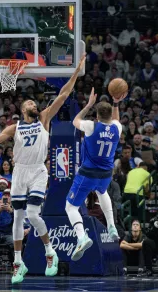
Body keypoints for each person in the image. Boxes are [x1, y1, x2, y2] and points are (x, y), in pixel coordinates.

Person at [0, 55, 87, 284]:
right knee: (18, 217)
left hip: (38, 171)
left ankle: (49, 252)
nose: (33, 105)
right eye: (29, 104)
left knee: (33, 214)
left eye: (34, 103)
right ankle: (17, 262)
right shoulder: (16, 127)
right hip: (20, 172)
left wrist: (76, 72)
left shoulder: (44, 118)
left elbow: (63, 94)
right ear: (23, 110)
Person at [65, 88, 125, 261]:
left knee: (71, 207)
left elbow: (75, 120)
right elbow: (116, 120)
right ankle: (112, 226)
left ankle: (81, 237)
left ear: (97, 115)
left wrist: (89, 104)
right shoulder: (116, 128)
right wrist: (116, 102)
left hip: (88, 172)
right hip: (106, 173)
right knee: (102, 192)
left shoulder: (91, 126)